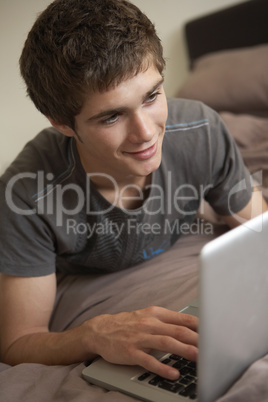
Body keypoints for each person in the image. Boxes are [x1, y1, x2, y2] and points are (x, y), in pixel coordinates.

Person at [0, 0, 267, 382]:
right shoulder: (27, 194)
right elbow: (17, 343)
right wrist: (94, 334)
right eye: (111, 116)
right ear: (62, 123)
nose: (145, 133)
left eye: (152, 96)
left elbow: (259, 236)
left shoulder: (202, 130)